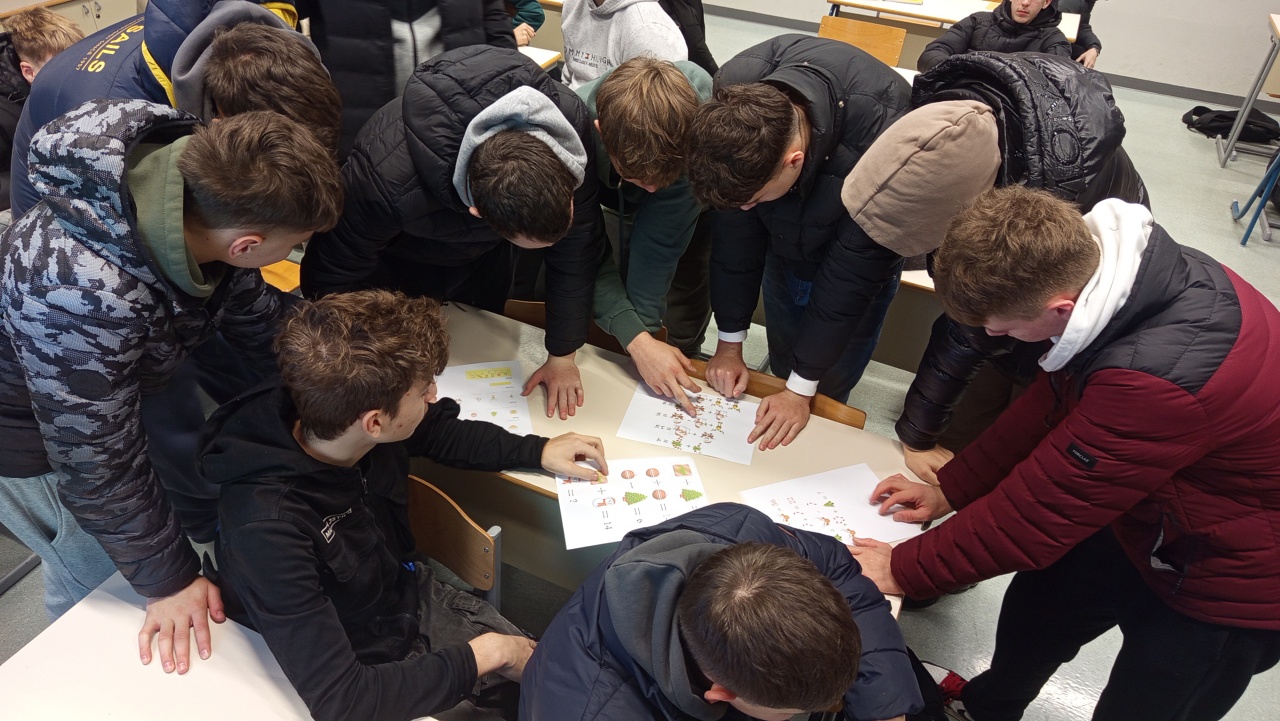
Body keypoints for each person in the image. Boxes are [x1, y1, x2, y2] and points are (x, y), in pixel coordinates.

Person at [850, 186, 1280, 721]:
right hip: (1151, 506)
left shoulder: (1153, 380)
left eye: (1003, 327)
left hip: (1232, 571)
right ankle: (985, 709)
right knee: (1039, 614)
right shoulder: (1118, 284)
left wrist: (904, 569)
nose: (993, 335)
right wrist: (950, 489)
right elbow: (1048, 405)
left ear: (1061, 308)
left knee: (1147, 704)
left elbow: (1038, 515)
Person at [0, 101, 341, 671]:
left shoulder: (196, 186)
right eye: (295, 244)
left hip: (85, 398)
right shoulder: (85, 295)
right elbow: (95, 464)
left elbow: (253, 311)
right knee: (98, 587)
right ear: (246, 245)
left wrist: (342, 363)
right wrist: (171, 579)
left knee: (123, 562)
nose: (291, 254)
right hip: (25, 436)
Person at [203, 290, 609, 721]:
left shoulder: (338, 415)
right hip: (359, 661)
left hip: (403, 595)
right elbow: (344, 700)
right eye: (424, 388)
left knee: (572, 688)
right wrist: (492, 652)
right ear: (375, 423)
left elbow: (437, 432)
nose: (434, 395)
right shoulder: (267, 529)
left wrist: (538, 450)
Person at [842, 51, 1147, 485]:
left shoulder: (1045, 206)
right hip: (1036, 298)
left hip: (1073, 312)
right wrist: (923, 437)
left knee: (1025, 424)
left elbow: (971, 330)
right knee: (973, 409)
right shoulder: (953, 129)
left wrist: (918, 435)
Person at [300, 45, 605, 421]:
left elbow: (577, 247)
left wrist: (562, 354)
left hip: (480, 265)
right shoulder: (384, 176)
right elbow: (334, 272)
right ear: (479, 214)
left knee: (474, 360)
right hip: (398, 270)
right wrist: (353, 361)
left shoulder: (568, 128)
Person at [685, 35, 910, 451]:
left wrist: (801, 390)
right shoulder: (734, 95)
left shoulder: (891, 137)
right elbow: (734, 245)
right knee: (784, 349)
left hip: (860, 255)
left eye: (754, 199)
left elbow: (849, 284)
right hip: (785, 241)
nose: (745, 208)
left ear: (794, 160)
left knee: (828, 382)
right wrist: (730, 344)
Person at [521, 503, 925, 721]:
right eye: (790, 714)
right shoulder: (590, 711)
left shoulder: (741, 531)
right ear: (722, 695)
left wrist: (884, 705)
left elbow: (836, 566)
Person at [9, 0, 336, 217]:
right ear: (220, 120)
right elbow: (144, 242)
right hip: (58, 190)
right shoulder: (110, 127)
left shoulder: (266, 44)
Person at [577, 57, 713, 413]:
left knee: (685, 290)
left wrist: (648, 339)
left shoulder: (694, 131)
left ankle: (684, 351)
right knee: (593, 285)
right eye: (638, 177)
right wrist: (637, 343)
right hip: (604, 194)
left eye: (659, 180)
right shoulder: (574, 128)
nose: (651, 189)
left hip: (690, 195)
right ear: (602, 132)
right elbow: (583, 247)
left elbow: (659, 247)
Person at [297, 0, 515, 156]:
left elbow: (493, 17)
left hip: (464, 132)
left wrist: (511, 94)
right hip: (357, 135)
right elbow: (287, 24)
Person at [0, 7, 82, 212]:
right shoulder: (5, 114)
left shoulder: (50, 87)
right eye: (62, 69)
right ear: (28, 72)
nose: (75, 75)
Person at [560, 0, 687, 90]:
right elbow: (570, 74)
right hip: (572, 109)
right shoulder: (574, 4)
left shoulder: (649, 30)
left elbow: (653, 113)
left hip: (611, 117)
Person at [916, 0, 1071, 72]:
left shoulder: (1054, 41)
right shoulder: (978, 21)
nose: (1025, 3)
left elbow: (1056, 81)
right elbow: (933, 53)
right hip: (958, 93)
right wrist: (956, 74)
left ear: (1046, 2)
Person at [1056, 0, 1102, 68]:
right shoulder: (1071, 2)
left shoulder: (1085, 2)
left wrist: (1094, 47)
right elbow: (1058, 29)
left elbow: (1079, 27)